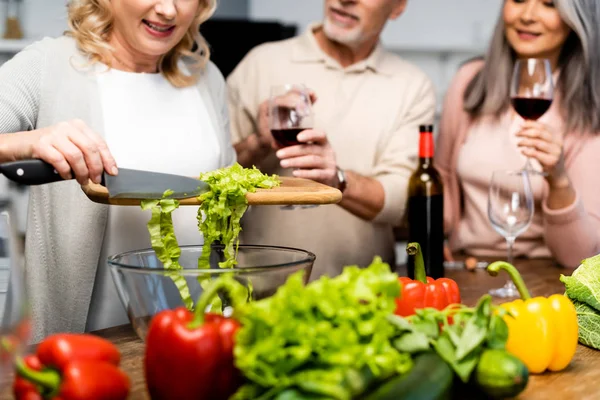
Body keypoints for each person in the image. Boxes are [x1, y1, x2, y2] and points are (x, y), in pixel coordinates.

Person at [0, 0, 236, 341]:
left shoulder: (205, 76)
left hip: (196, 332)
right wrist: (25, 142)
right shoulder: (48, 65)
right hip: (83, 342)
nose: (168, 10)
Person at [227, 0, 436, 279]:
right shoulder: (260, 62)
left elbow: (401, 203)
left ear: (397, 7)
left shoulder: (412, 85)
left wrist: (336, 180)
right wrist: (259, 142)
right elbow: (213, 177)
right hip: (256, 293)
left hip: (361, 297)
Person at [436, 0, 600, 268]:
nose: (528, 16)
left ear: (575, 21)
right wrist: (433, 238)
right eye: (519, 0)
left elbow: (580, 257)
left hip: (545, 275)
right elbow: (441, 179)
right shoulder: (469, 80)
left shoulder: (589, 107)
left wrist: (558, 180)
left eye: (549, 5)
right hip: (469, 265)